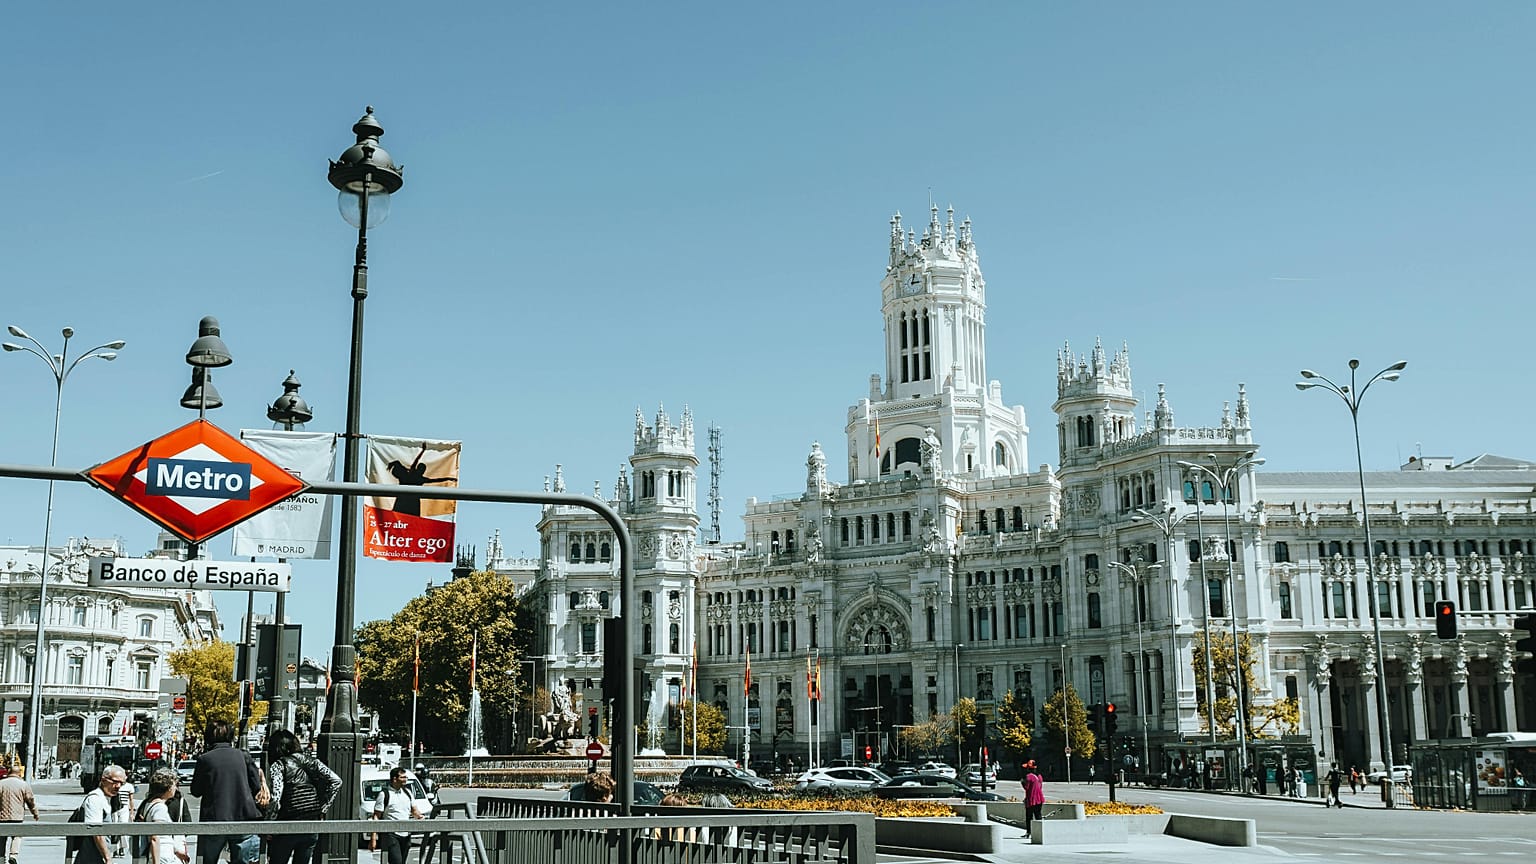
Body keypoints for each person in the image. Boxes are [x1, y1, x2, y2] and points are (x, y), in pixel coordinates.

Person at [191, 718, 269, 864]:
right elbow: (256, 787)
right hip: (243, 816)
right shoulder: (243, 756)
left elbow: (196, 791)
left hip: (214, 820)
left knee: (208, 860)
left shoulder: (205, 759)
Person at [265, 729, 342, 864]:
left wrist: (269, 824)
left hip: (287, 822)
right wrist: (323, 808)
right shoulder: (312, 761)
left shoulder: (279, 765)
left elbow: (276, 798)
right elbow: (336, 781)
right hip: (311, 820)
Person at [369, 766, 423, 864]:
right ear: (394, 779)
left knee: (402, 862)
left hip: (406, 834)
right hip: (391, 834)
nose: (405, 779)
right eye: (402, 777)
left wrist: (420, 817)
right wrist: (373, 839)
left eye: (406, 777)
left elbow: (415, 811)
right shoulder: (384, 794)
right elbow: (376, 816)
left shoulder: (408, 793)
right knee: (396, 862)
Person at [75, 764, 125, 864]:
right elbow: (96, 831)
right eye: (114, 781)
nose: (118, 786)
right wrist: (107, 858)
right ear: (103, 780)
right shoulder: (95, 799)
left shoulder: (107, 799)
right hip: (90, 858)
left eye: (121, 783)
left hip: (97, 857)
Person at [143, 770, 189, 864]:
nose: (176, 788)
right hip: (164, 856)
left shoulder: (150, 803)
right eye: (174, 785)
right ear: (168, 788)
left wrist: (176, 851)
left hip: (163, 854)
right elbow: (155, 837)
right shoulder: (160, 807)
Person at [0, 762, 39, 864]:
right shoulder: (23, 785)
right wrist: (35, 813)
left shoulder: (1, 783)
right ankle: (13, 855)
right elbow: (30, 800)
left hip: (2, 816)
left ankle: (1, 857)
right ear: (19, 773)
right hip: (17, 816)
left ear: (9, 772)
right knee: (17, 836)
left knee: (1, 837)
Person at [1022, 762, 1044, 838]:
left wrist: (1022, 782)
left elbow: (1026, 788)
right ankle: (1041, 833)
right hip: (1039, 798)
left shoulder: (1028, 777)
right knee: (1038, 816)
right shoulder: (1039, 776)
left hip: (1031, 799)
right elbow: (1040, 787)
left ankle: (1029, 832)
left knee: (1029, 817)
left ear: (1029, 769)